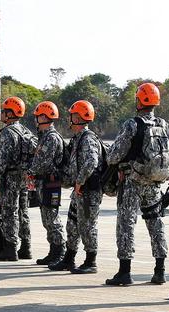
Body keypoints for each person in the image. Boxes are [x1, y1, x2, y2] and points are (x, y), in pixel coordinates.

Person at [104, 82, 169, 287]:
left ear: (139, 101)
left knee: (126, 224)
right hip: (154, 183)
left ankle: (125, 272)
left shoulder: (133, 124)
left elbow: (114, 155)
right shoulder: (165, 125)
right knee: (156, 223)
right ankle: (160, 271)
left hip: (132, 181)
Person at [49, 100, 103, 274]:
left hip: (88, 191)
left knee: (87, 225)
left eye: (72, 115)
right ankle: (69, 258)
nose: (70, 119)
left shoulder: (88, 139)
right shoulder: (78, 139)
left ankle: (91, 261)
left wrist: (79, 181)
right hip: (79, 191)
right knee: (72, 225)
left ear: (79, 117)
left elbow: (91, 161)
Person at [0, 96, 37, 262]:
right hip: (24, 177)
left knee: (10, 212)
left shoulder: (7, 133)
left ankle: (10, 248)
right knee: (23, 211)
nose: (2, 114)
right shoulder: (26, 131)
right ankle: (26, 247)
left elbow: (2, 159)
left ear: (10, 114)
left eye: (4, 112)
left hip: (10, 177)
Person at [28, 101, 68, 266]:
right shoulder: (44, 137)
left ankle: (60, 251)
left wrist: (30, 172)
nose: (36, 120)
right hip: (43, 182)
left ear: (44, 117)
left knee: (52, 218)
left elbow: (43, 162)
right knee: (47, 219)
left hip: (50, 182)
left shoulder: (51, 138)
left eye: (38, 116)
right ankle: (53, 251)